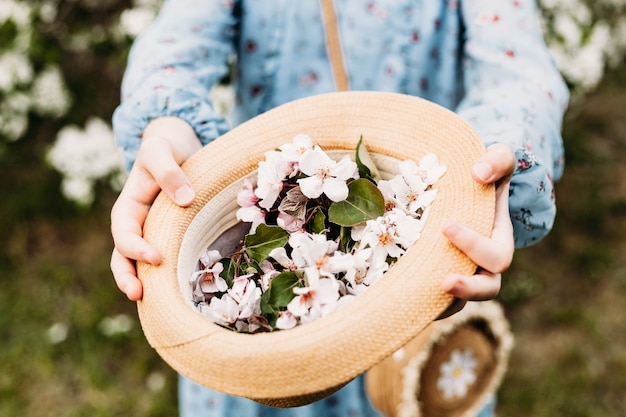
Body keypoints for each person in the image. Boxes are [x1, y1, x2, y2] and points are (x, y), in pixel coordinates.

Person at [110, 1, 569, 416]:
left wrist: (486, 167)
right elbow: (178, 42)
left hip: (410, 260)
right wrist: (167, 125)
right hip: (266, 285)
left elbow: (517, 71)